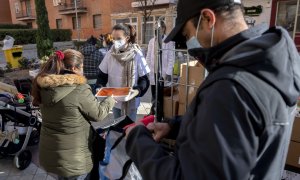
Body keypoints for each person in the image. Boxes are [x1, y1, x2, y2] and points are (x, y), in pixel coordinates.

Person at [125, 0, 300, 179]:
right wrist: (175, 126)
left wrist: (138, 140)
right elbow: (236, 127)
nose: (188, 45)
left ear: (208, 19)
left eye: (187, 35)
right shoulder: (264, 62)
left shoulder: (231, 86)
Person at [31, 49, 115, 180]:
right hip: (73, 155)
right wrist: (111, 99)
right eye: (82, 67)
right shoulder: (79, 89)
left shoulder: (44, 86)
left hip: (51, 152)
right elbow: (98, 114)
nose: (83, 70)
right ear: (74, 68)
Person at [96, 24, 150, 121]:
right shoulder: (110, 54)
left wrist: (137, 90)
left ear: (127, 38)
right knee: (117, 126)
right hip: (114, 100)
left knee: (129, 127)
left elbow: (144, 79)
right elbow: (102, 75)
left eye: (119, 38)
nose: (115, 41)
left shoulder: (136, 53)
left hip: (131, 100)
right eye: (113, 38)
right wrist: (99, 87)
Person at [146, 20, 175, 102]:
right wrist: (147, 69)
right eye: (155, 28)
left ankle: (160, 111)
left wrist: (169, 72)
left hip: (163, 71)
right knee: (153, 92)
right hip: (153, 70)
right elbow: (148, 56)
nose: (157, 30)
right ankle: (153, 110)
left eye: (158, 28)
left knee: (160, 94)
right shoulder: (152, 41)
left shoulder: (169, 41)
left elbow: (171, 58)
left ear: (163, 28)